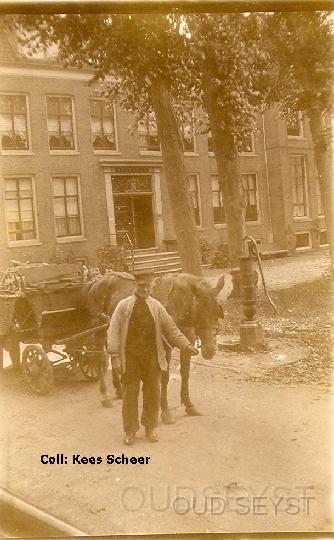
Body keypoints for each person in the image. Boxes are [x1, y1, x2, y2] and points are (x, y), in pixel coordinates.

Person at [107, 270, 198, 445]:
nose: (145, 289)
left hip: (152, 358)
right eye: (141, 286)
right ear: (135, 285)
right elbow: (114, 332)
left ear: (152, 286)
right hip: (131, 358)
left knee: (153, 394)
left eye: (148, 286)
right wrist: (115, 356)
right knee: (130, 395)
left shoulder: (156, 306)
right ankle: (130, 430)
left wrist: (186, 345)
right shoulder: (123, 306)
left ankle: (150, 427)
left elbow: (171, 329)